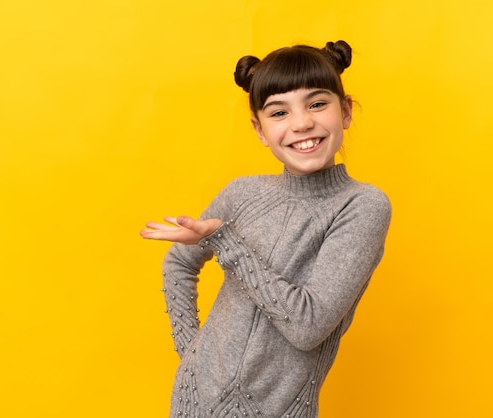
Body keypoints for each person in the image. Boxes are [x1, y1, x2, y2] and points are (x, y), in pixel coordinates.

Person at [140, 40, 391, 418]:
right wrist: (192, 353)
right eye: (279, 112)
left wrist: (224, 239)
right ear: (259, 130)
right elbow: (179, 263)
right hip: (192, 404)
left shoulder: (362, 206)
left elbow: (308, 326)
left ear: (346, 112)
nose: (301, 122)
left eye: (317, 104)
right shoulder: (242, 193)